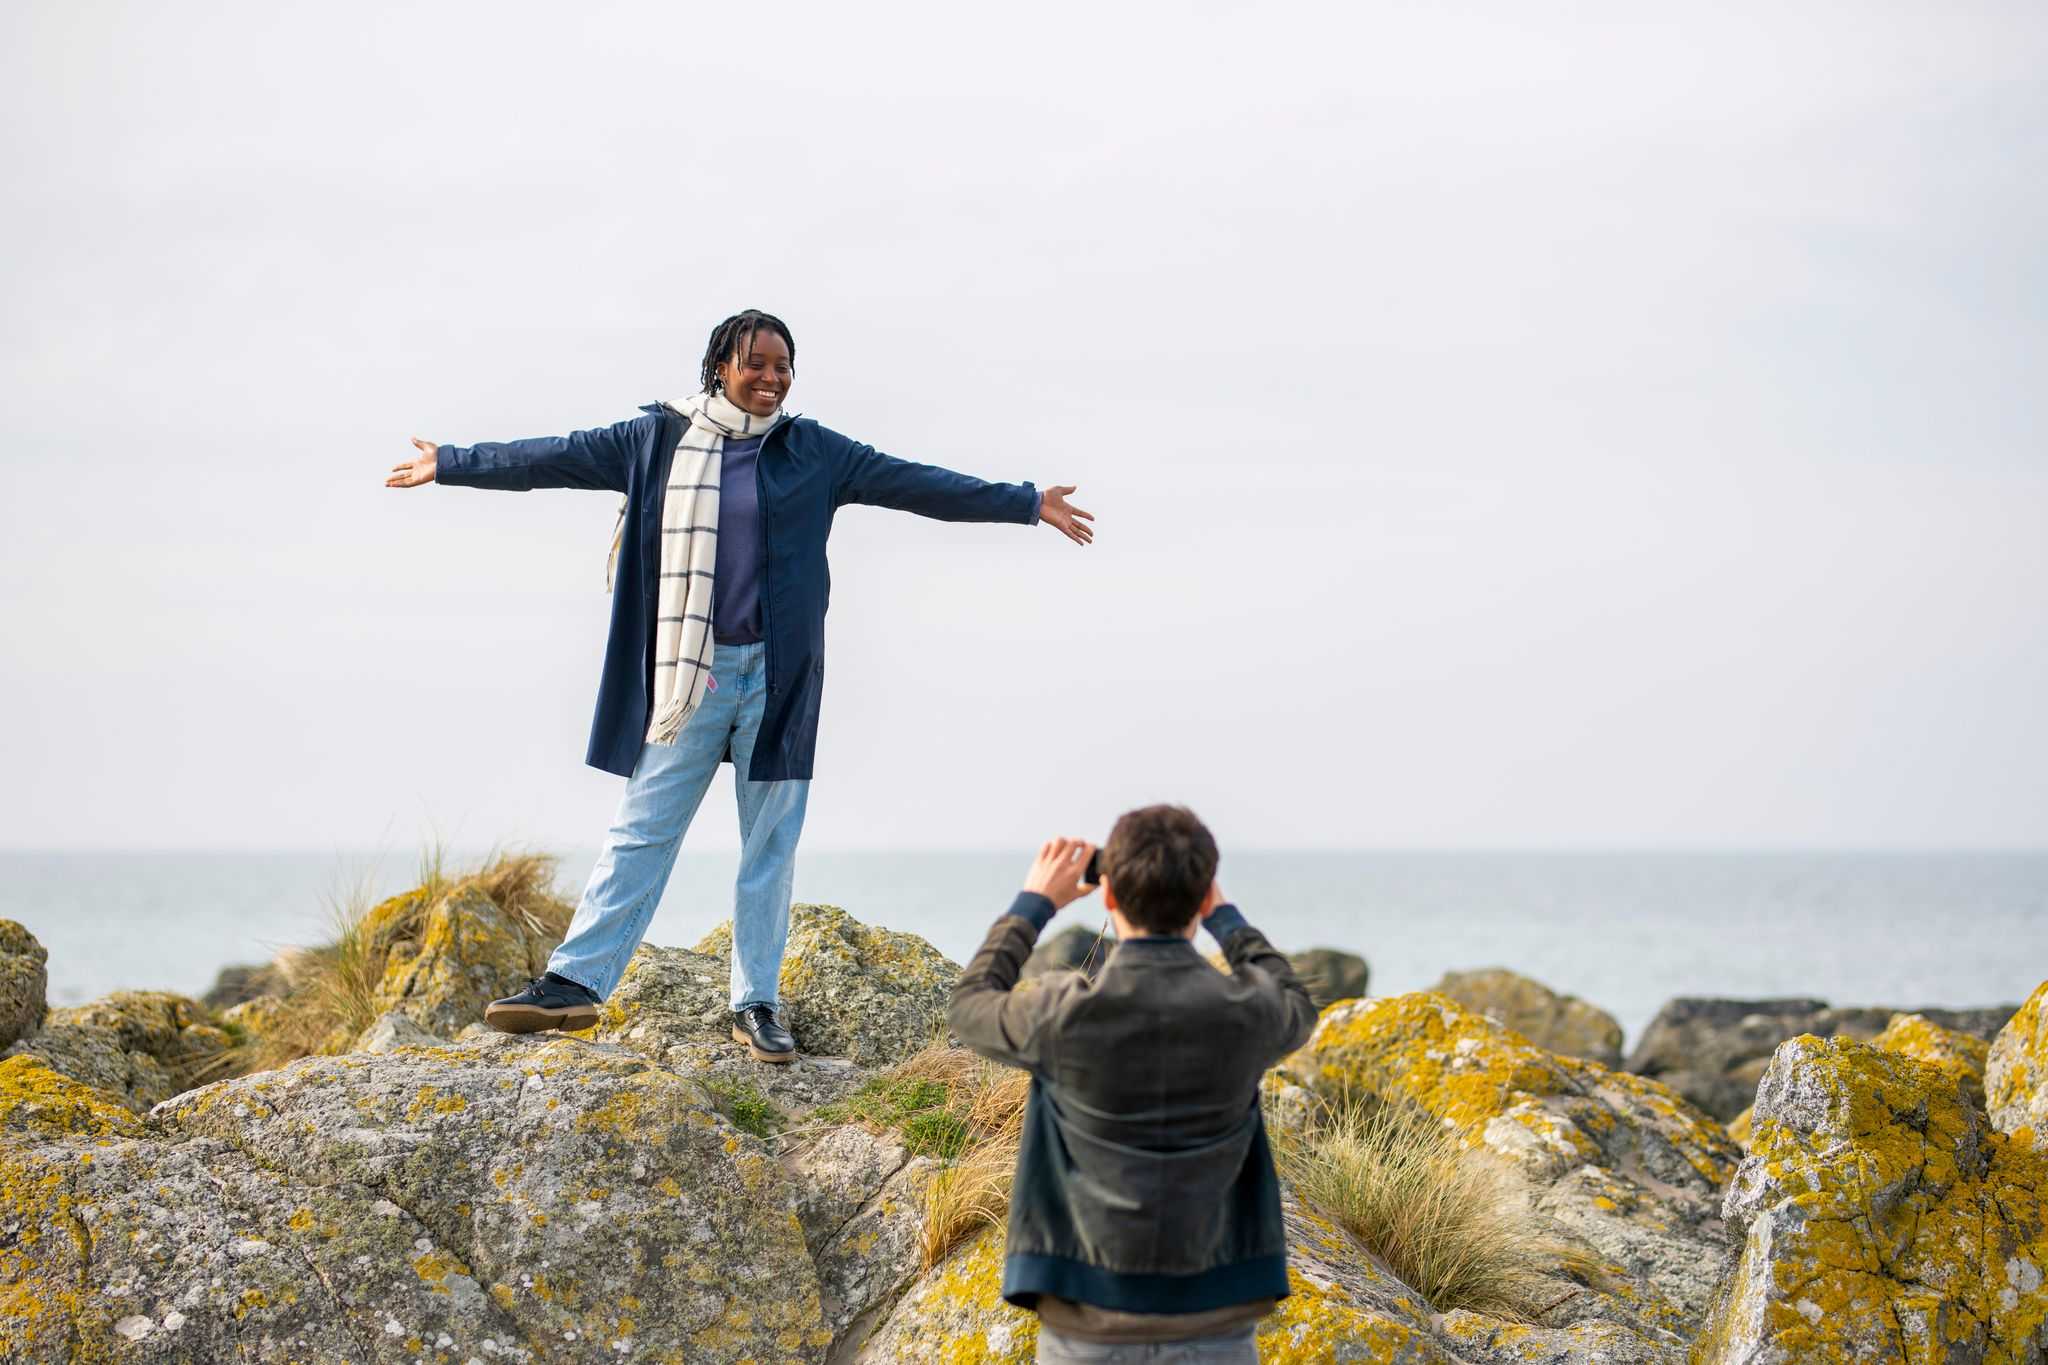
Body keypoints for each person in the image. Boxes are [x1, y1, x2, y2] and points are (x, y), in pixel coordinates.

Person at [386, 309, 1095, 1061]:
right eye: (756, 361)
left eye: (784, 365)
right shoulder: (655, 440)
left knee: (770, 843)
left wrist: (1026, 502)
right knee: (644, 826)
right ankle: (575, 984)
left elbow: (916, 483)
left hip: (780, 678)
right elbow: (550, 457)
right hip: (689, 670)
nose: (772, 377)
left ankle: (756, 1002)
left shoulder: (813, 450)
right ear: (719, 363)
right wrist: (452, 461)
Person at [949, 806, 1318, 1364]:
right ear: (1201, 899)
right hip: (1214, 1323)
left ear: (1110, 897)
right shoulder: (1246, 1014)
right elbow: (1295, 999)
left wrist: (1035, 903)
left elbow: (970, 1003)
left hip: (1087, 1324)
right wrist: (1227, 919)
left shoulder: (1063, 1015)